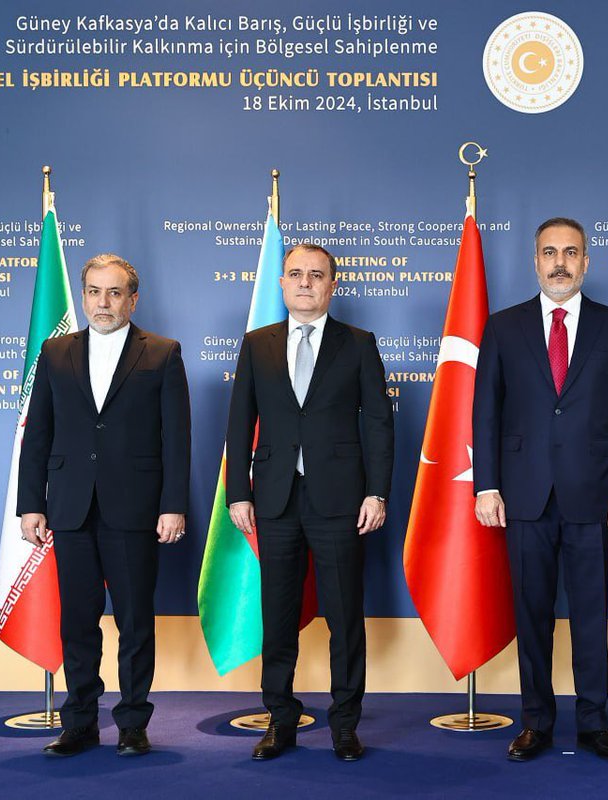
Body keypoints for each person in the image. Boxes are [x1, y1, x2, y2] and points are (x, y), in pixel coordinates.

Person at [473, 217, 608, 763]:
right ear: (535, 260)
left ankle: (594, 723)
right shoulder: (503, 327)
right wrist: (487, 485)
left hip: (596, 497)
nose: (560, 262)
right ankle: (536, 724)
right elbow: (485, 414)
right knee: (532, 615)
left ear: (587, 261)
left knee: (592, 616)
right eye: (550, 252)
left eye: (571, 252)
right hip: (524, 497)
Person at [225, 243, 393, 762]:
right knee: (277, 617)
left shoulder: (359, 343)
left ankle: (345, 724)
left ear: (332, 285)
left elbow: (378, 424)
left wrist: (377, 491)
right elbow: (238, 421)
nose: (304, 282)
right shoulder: (257, 344)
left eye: (315, 275)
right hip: (274, 498)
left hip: (341, 500)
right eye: (294, 274)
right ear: (281, 284)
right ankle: (280, 720)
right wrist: (238, 493)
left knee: (344, 617)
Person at [18, 253, 191, 758]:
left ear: (132, 299)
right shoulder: (54, 353)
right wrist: (33, 503)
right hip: (69, 507)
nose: (103, 302)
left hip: (136, 509)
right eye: (94, 291)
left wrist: (173, 504)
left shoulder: (162, 353)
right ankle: (80, 722)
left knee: (135, 620)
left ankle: (133, 723)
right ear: (84, 293)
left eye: (115, 293)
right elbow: (39, 436)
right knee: (77, 621)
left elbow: (176, 437)